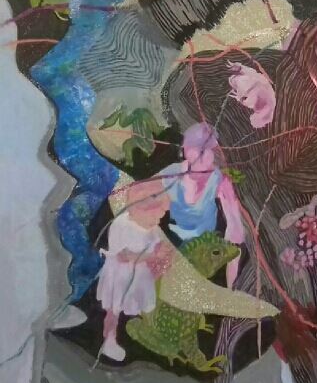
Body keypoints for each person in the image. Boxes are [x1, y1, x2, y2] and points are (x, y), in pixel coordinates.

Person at [97, 178, 173, 361]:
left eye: (160, 216)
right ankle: (109, 340)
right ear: (139, 209)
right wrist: (153, 256)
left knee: (137, 301)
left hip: (139, 274)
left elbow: (155, 243)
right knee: (114, 308)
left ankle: (138, 331)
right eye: (155, 216)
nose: (157, 220)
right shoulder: (121, 225)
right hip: (120, 274)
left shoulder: (150, 227)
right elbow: (124, 256)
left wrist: (162, 252)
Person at [161, 123, 246, 285]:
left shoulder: (221, 181)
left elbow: (236, 232)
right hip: (172, 245)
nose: (203, 156)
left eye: (208, 150)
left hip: (207, 248)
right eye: (198, 150)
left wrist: (231, 285)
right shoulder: (170, 174)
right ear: (185, 151)